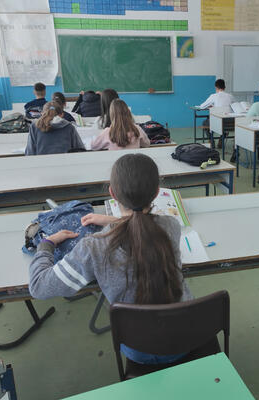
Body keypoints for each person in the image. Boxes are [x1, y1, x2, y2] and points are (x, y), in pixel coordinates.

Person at [29, 153, 193, 365]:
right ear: (156, 193)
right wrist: (115, 221)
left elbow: (39, 286)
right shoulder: (170, 226)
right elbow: (141, 225)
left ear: (112, 193)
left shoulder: (94, 245)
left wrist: (46, 244)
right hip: (187, 336)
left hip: (140, 349)